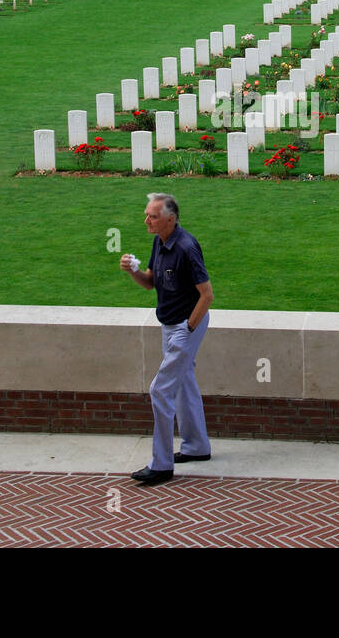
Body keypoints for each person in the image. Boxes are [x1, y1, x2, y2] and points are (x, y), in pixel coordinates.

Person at [120, 193, 214, 486]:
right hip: (169, 324)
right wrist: (134, 270)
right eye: (147, 214)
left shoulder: (186, 247)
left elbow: (207, 295)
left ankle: (161, 465)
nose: (146, 220)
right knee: (183, 382)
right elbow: (151, 283)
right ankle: (196, 446)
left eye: (153, 216)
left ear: (171, 219)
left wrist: (187, 329)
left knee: (160, 390)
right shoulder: (159, 242)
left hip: (185, 326)